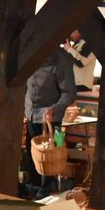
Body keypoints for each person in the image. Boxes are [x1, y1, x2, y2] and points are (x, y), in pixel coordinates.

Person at [22, 48, 76, 197]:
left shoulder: (61, 59)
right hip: (31, 114)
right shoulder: (30, 55)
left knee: (54, 153)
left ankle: (49, 188)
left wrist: (54, 109)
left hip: (54, 119)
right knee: (32, 152)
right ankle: (32, 186)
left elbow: (70, 94)